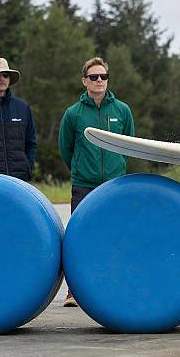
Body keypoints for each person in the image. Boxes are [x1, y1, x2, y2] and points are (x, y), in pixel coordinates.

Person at [59, 57, 135, 307]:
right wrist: (82, 170)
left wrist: (117, 167)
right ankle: (73, 291)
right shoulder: (73, 113)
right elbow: (66, 148)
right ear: (84, 81)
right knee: (80, 238)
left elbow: (129, 145)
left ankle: (115, 286)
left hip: (115, 186)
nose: (99, 81)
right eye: (94, 77)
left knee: (116, 235)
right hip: (84, 185)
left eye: (103, 77)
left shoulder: (122, 110)